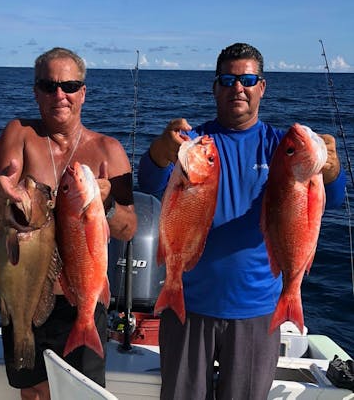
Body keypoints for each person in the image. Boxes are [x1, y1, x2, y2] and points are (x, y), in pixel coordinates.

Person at [138, 42, 346, 400]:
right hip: (189, 304)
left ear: (262, 87)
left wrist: (332, 167)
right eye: (228, 79)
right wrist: (160, 148)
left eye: (248, 80)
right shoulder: (194, 143)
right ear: (215, 87)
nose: (239, 88)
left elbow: (336, 198)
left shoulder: (282, 147)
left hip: (258, 310)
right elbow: (150, 182)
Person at [0, 47, 137, 400]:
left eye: (69, 85)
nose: (60, 95)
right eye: (48, 85)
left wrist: (108, 202)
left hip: (84, 298)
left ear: (83, 91)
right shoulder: (20, 134)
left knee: (80, 394)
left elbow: (128, 229)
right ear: (35, 91)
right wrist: (1, 192)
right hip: (28, 292)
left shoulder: (108, 149)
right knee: (34, 394)